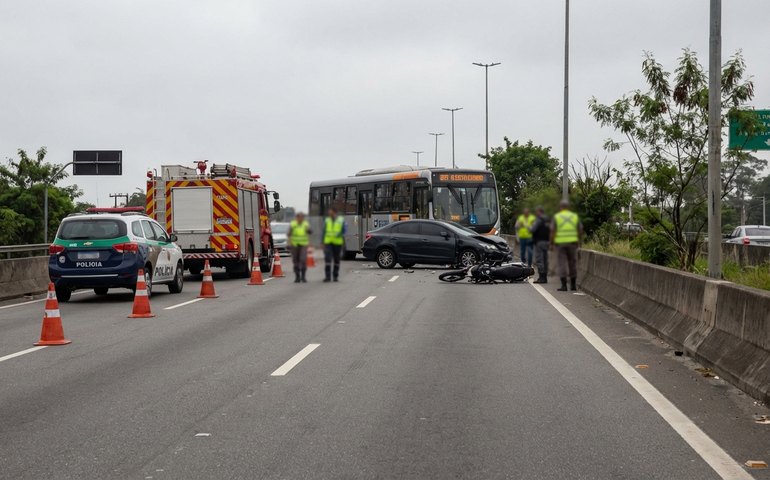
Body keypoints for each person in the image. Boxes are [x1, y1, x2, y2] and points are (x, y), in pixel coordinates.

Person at [550, 200, 584, 292]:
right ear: (568, 207)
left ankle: (564, 285)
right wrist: (579, 241)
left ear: (560, 207)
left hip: (560, 243)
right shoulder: (574, 216)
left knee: (562, 263)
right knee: (572, 263)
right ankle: (573, 285)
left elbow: (553, 231)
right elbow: (580, 230)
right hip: (572, 243)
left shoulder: (557, 217)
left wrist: (551, 243)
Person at [322, 207, 346, 282]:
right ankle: (328, 276)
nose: (329, 213)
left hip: (337, 243)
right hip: (328, 242)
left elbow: (344, 230)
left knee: (336, 260)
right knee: (328, 259)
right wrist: (322, 242)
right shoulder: (327, 220)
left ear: (334, 212)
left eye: (330, 212)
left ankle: (335, 276)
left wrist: (340, 235)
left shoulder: (340, 220)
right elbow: (324, 232)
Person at [288, 212, 312, 283]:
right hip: (294, 245)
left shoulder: (305, 224)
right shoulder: (293, 224)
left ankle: (303, 277)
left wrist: (309, 231)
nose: (300, 219)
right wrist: (289, 243)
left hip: (303, 245)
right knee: (295, 261)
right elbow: (289, 234)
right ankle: (297, 277)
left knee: (303, 260)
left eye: (302, 217)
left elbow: (310, 232)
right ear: (297, 218)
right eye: (299, 217)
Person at [530, 206, 550, 284]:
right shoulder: (548, 220)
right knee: (545, 260)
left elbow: (533, 229)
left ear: (539, 211)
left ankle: (541, 277)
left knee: (540, 260)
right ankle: (545, 277)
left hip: (540, 242)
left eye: (536, 212)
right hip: (547, 242)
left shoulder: (538, 220)